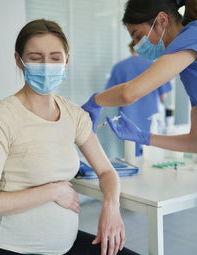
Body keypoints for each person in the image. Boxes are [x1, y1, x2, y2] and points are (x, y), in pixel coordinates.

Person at [0, 19, 166, 255]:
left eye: (55, 57)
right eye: (35, 58)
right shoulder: (4, 117)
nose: (46, 65)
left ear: (66, 61)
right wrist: (52, 191)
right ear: (19, 60)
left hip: (64, 244)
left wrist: (110, 206)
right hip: (12, 252)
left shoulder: (73, 114)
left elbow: (106, 172)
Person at [82, 0, 197, 155]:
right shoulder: (187, 60)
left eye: (138, 36)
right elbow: (194, 142)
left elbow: (128, 93)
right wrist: (142, 137)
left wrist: (95, 102)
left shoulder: (192, 36)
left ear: (162, 20)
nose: (137, 46)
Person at [105, 41, 172, 155]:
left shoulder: (119, 67)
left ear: (131, 49)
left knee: (131, 154)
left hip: (128, 118)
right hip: (151, 119)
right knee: (151, 153)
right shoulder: (154, 65)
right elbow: (163, 96)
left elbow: (111, 95)